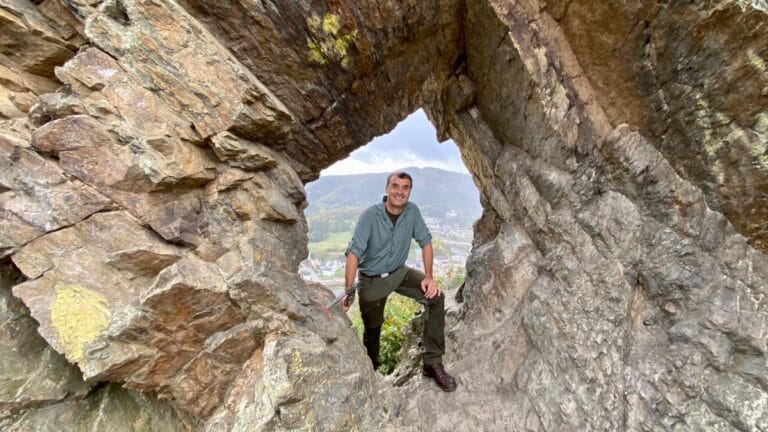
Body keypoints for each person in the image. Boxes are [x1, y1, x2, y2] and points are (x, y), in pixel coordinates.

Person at [342, 170, 457, 392]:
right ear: (387, 189)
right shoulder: (370, 216)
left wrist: (429, 277)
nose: (400, 192)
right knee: (373, 331)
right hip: (372, 281)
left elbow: (426, 242)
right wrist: (349, 290)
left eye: (405, 188)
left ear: (409, 192)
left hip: (399, 272)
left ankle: (432, 363)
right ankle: (372, 376)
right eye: (395, 186)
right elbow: (354, 254)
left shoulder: (412, 212)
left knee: (436, 298)